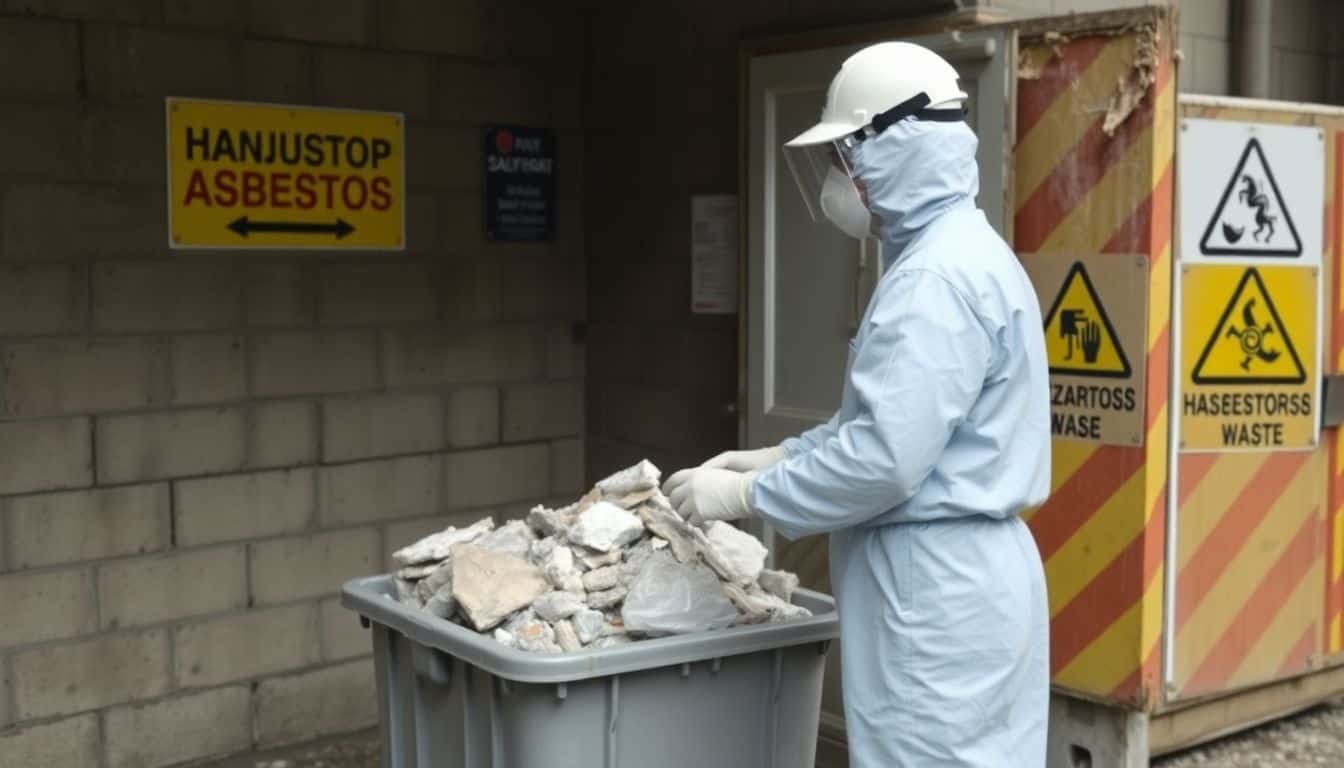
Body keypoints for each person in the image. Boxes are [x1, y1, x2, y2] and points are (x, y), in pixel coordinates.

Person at [663, 42, 1051, 767]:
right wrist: (788, 452)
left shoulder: (933, 281)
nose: (839, 182)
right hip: (965, 580)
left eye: (846, 159)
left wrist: (747, 491)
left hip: (934, 594)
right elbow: (893, 429)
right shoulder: (964, 252)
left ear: (893, 148)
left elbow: (883, 461)